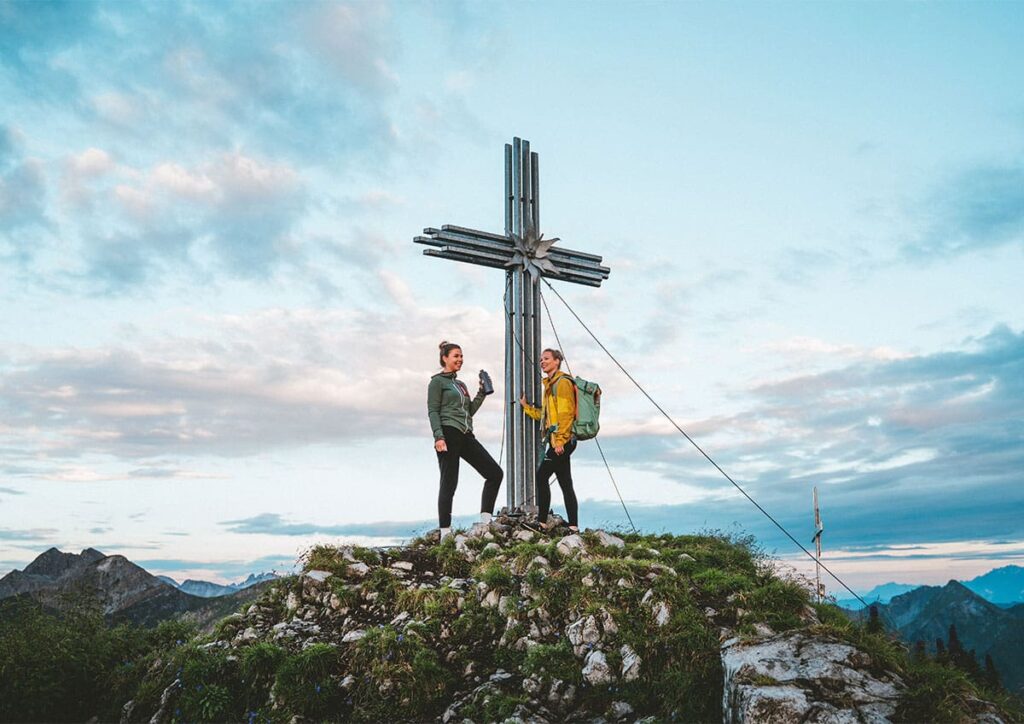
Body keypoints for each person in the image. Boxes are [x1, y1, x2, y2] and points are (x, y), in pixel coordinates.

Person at [427, 341, 503, 540]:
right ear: (445, 358)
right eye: (456, 356)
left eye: (461, 356)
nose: (460, 360)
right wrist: (438, 436)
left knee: (495, 473)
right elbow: (433, 410)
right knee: (449, 482)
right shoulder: (437, 382)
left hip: (466, 433)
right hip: (448, 433)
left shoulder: (460, 385)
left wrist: (482, 393)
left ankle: (486, 523)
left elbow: (469, 411)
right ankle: (445, 533)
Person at [519, 348, 579, 532]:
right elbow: (546, 417)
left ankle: (542, 523)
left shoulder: (561, 383)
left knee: (541, 475)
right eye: (541, 359)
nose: (542, 362)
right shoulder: (551, 385)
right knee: (565, 482)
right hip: (560, 441)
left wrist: (560, 440)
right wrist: (526, 408)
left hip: (562, 441)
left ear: (557, 361)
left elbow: (566, 414)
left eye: (546, 359)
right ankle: (574, 526)